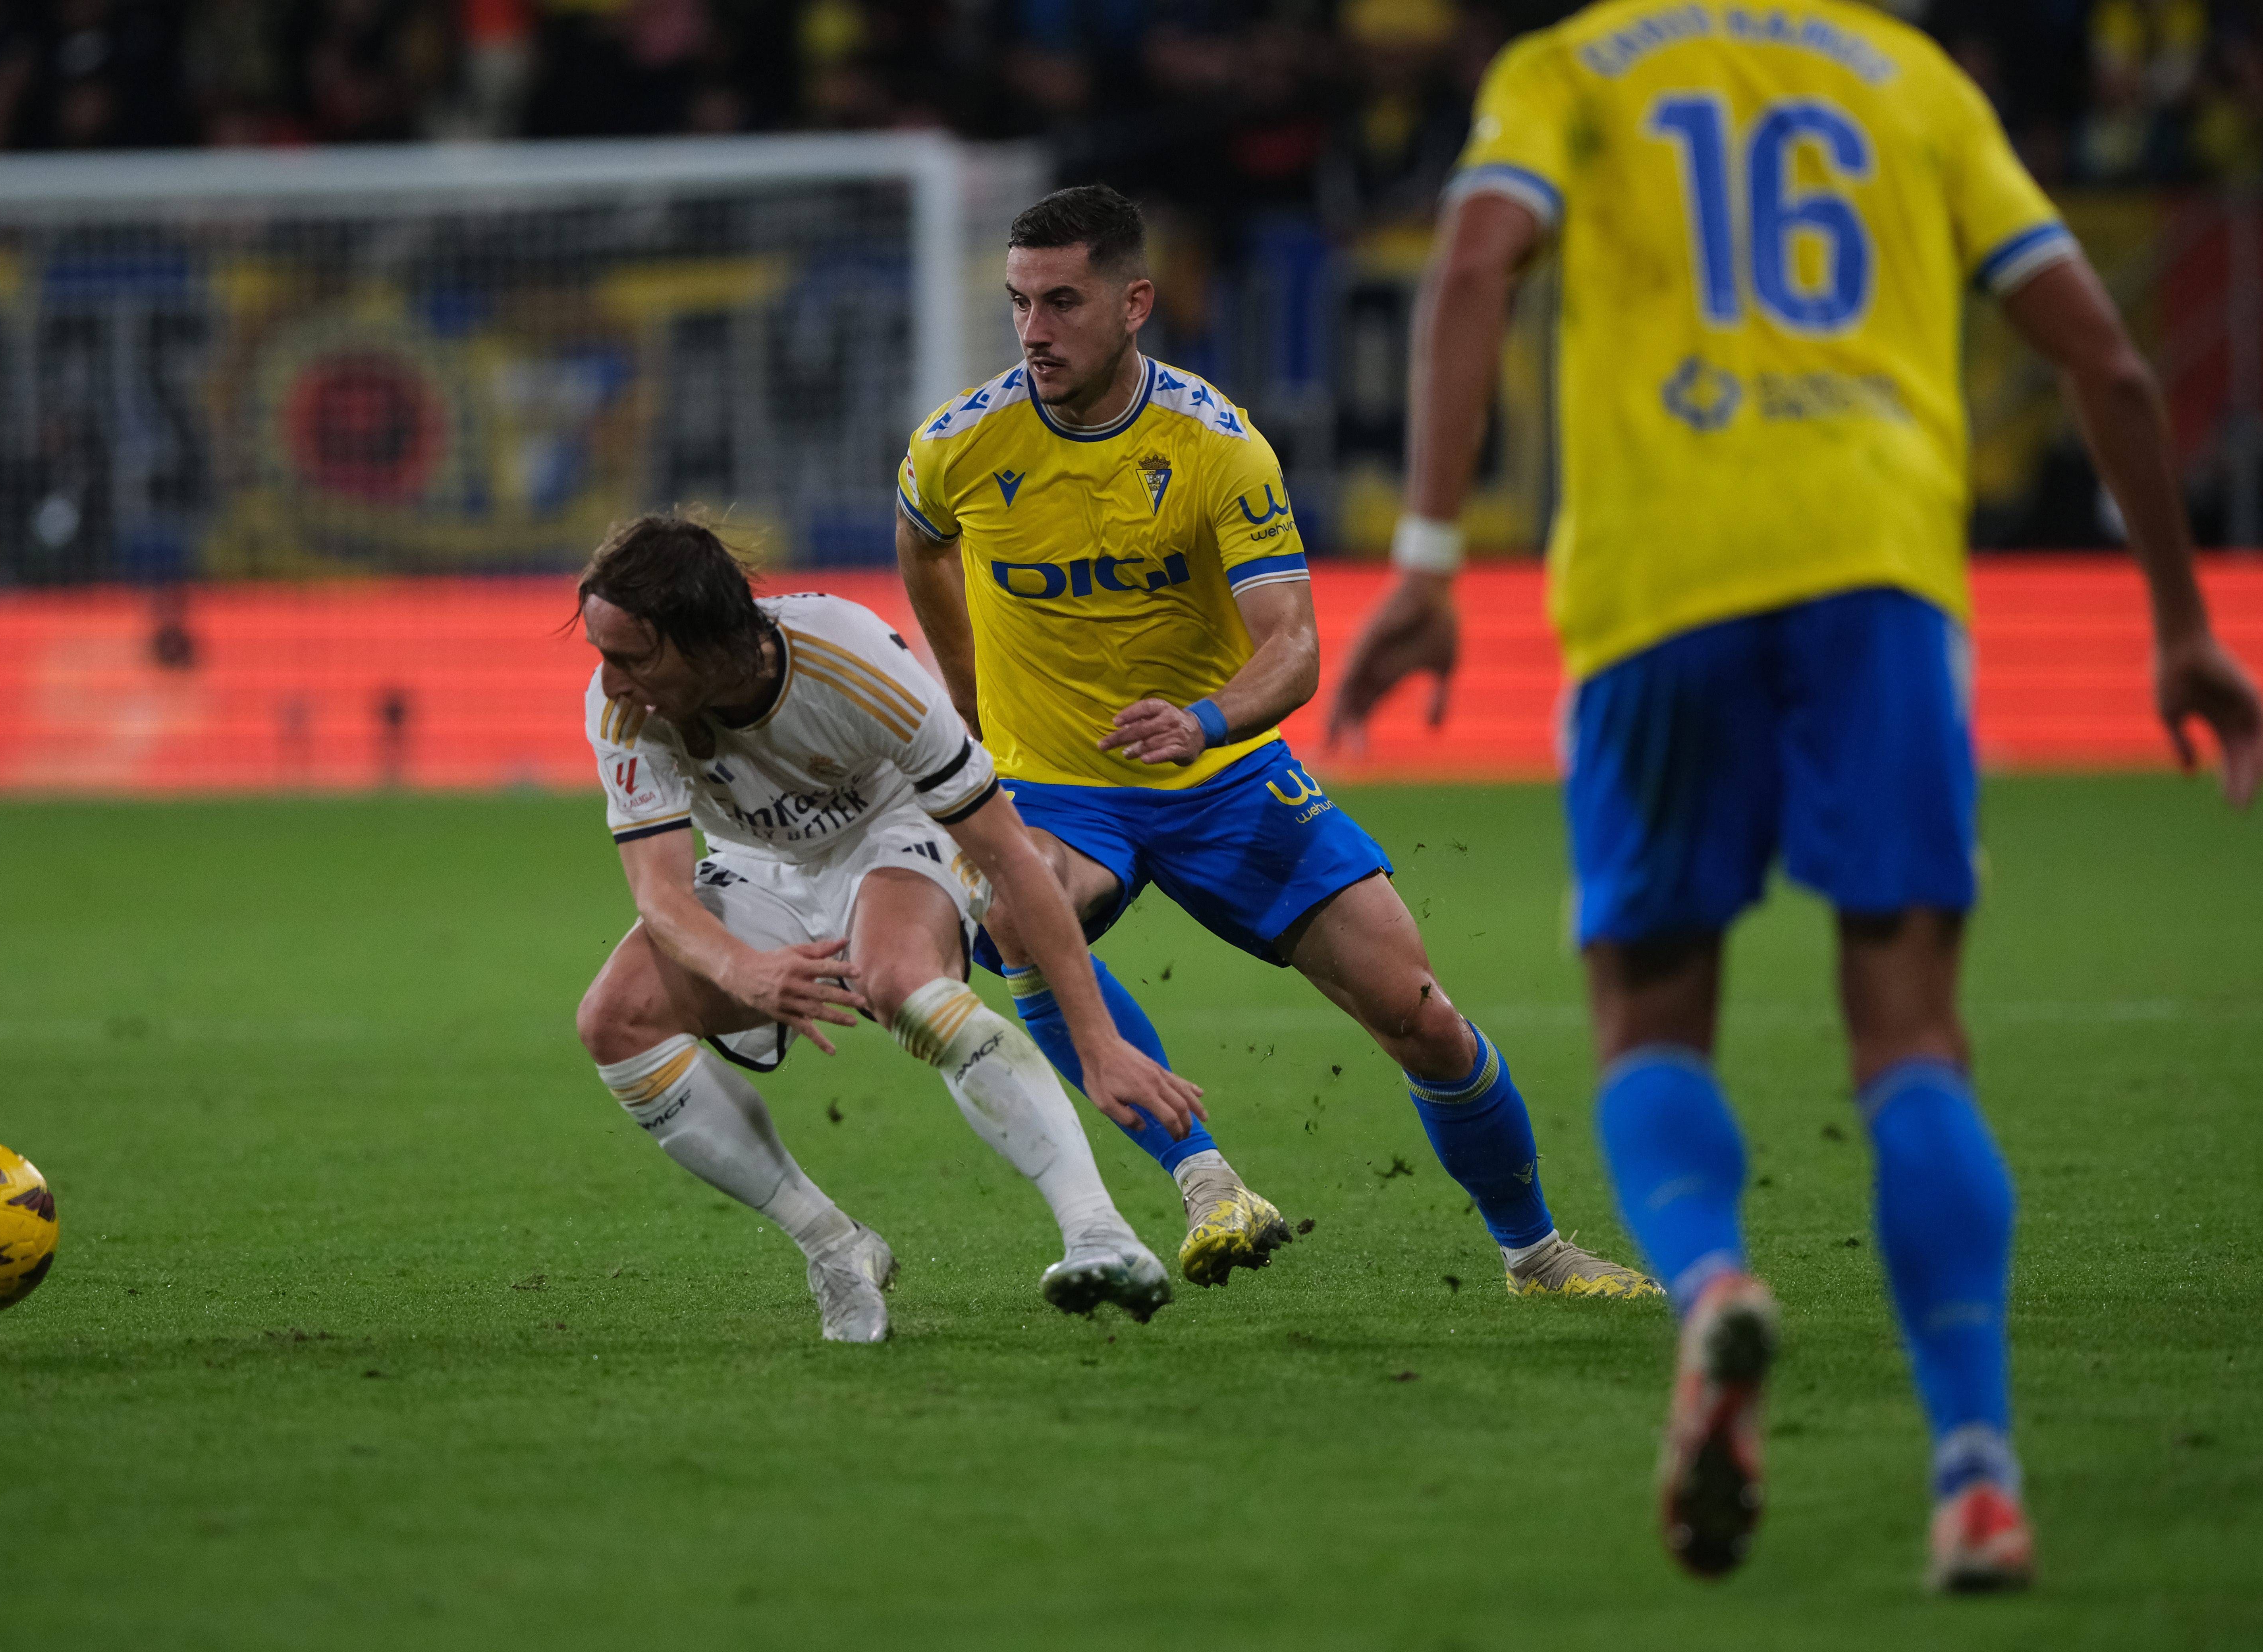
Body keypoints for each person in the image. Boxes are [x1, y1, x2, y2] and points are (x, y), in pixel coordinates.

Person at [1327, 0, 2263, 1592]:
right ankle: (1978, 1474)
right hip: (1878, 582)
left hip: (1658, 592)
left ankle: (1713, 1288)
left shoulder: (1576, 67)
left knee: (1649, 1019)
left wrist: (1425, 557)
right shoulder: (1914, 78)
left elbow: (1474, 265)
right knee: (1911, 1039)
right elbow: (2106, 356)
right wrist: (2180, 622)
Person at [895, 183, 1656, 1301]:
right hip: (1058, 787)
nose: (1033, 331)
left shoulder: (1216, 446)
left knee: (1419, 1015)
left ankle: (1535, 1253)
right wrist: (970, 704)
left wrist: (1204, 721)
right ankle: (1207, 1182)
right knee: (1017, 908)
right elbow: (922, 543)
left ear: (1136, 302)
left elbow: (1294, 648)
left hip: (1227, 780)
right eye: (1019, 303)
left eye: (1062, 303)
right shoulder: (959, 444)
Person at [573, 515, 1201, 1342]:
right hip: (759, 862)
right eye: (603, 654)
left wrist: (1097, 1041)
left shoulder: (849, 660)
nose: (611, 681)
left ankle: (1099, 1231)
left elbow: (1012, 857)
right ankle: (835, 1247)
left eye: (633, 657)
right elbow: (660, 896)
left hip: (896, 827)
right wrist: (742, 969)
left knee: (899, 981)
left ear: (705, 637)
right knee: (614, 1020)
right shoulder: (627, 712)